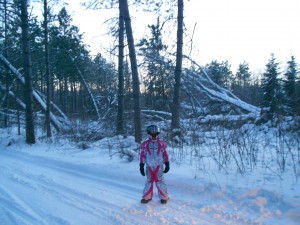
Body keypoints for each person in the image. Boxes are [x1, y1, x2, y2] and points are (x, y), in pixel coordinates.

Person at [139, 124, 170, 204]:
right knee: (149, 181)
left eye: (155, 131)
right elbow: (142, 155)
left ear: (158, 132)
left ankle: (164, 197)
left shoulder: (162, 143)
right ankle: (147, 197)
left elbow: (165, 154)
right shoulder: (145, 144)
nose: (153, 133)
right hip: (149, 166)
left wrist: (167, 163)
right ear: (148, 132)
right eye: (151, 131)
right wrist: (141, 165)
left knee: (160, 180)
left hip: (159, 166)